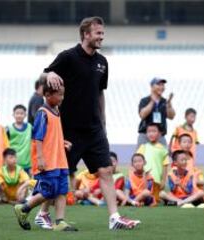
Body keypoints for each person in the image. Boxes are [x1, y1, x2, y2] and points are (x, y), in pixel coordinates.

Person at [40, 16, 139, 230]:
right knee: (60, 175)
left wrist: (103, 122)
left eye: (102, 33)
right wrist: (51, 73)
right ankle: (41, 213)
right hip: (69, 129)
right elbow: (44, 74)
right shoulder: (68, 56)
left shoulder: (103, 62)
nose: (102, 37)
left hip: (95, 129)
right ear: (86, 34)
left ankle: (114, 218)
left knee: (105, 170)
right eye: (98, 33)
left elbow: (100, 93)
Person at [14, 84, 77, 232]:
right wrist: (40, 158)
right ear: (48, 95)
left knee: (62, 190)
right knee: (49, 191)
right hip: (48, 161)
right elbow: (38, 137)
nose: (62, 98)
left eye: (63, 94)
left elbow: (51, 135)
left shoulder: (56, 111)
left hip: (59, 159)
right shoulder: (43, 113)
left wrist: (62, 143)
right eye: (59, 95)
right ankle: (23, 208)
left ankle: (60, 221)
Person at [138, 78, 175, 147]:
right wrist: (152, 101)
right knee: (141, 156)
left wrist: (169, 104)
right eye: (158, 85)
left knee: (164, 156)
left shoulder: (164, 101)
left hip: (160, 136)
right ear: (152, 86)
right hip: (145, 135)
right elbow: (142, 115)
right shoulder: (145, 100)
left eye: (163, 85)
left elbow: (171, 116)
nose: (161, 87)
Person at [136, 123, 169, 202]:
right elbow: (136, 163)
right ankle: (136, 200)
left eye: (154, 131)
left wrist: (163, 181)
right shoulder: (143, 147)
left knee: (162, 194)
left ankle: (157, 198)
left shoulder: (163, 150)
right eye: (149, 131)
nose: (151, 134)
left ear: (159, 133)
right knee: (146, 193)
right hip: (144, 181)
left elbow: (165, 166)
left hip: (156, 181)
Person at [6, 104, 32, 175]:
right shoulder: (8, 129)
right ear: (13, 115)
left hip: (27, 162)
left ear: (25, 115)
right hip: (13, 162)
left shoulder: (30, 127)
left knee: (28, 182)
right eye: (17, 113)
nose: (19, 115)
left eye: (21, 113)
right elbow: (4, 144)